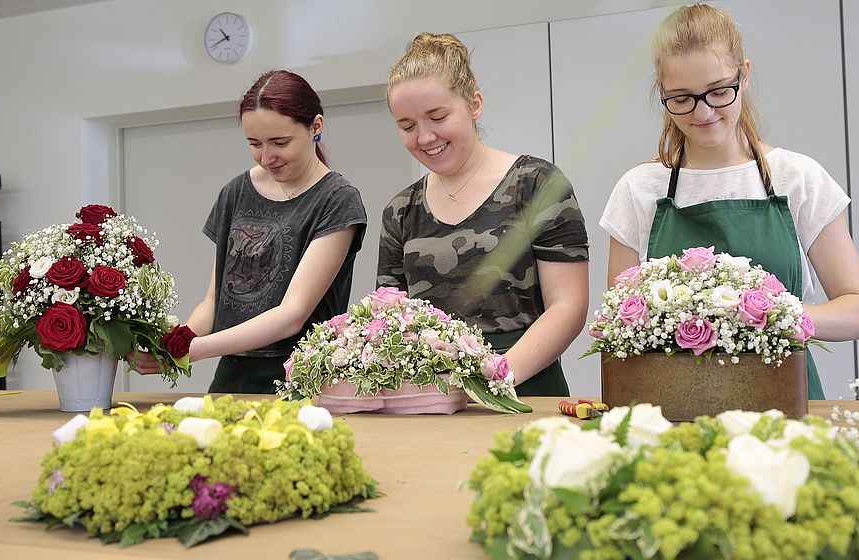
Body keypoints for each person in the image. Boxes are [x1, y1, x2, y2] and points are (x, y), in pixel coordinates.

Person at [600, 4, 859, 399]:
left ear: (743, 75)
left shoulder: (797, 178)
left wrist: (760, 316)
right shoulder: (639, 189)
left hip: (785, 401)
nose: (703, 112)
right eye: (681, 98)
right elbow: (620, 326)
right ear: (662, 93)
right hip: (675, 408)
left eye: (718, 92)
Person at [378, 33, 589, 397]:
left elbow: (567, 306)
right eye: (407, 125)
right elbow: (389, 319)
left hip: (525, 387)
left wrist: (491, 376)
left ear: (474, 104)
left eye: (438, 116)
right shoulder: (401, 211)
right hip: (435, 397)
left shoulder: (536, 184)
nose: (425, 137)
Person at [132, 69, 367, 393]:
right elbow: (214, 302)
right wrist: (173, 342)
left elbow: (292, 314)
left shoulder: (337, 199)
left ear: (316, 127)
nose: (267, 157)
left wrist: (190, 351)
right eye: (255, 144)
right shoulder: (236, 192)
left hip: (303, 376)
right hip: (232, 373)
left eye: (279, 142)